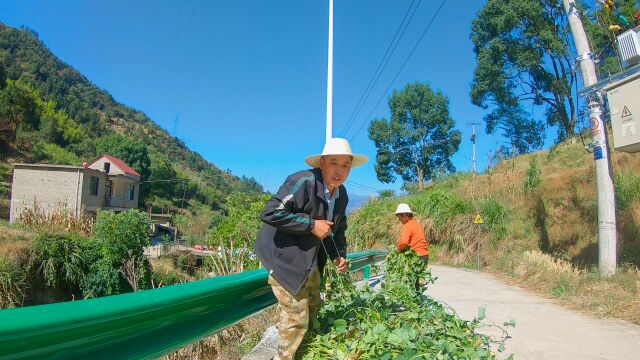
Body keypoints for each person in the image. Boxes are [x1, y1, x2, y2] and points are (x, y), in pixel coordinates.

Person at [254, 138, 367, 360]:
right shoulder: (302, 181)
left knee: (314, 306)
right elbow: (271, 212)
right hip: (283, 256)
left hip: (310, 257)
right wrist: (311, 225)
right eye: (334, 163)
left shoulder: (341, 194)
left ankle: (306, 352)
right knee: (296, 316)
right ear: (321, 163)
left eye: (346, 165)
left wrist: (338, 256)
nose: (340, 170)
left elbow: (337, 229)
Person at [395, 203, 429, 292]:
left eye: (399, 217)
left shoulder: (407, 225)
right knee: (415, 281)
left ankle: (414, 301)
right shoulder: (415, 224)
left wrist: (398, 249)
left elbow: (404, 242)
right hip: (424, 255)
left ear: (405, 215)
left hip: (417, 256)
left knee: (412, 281)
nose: (399, 220)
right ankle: (416, 301)